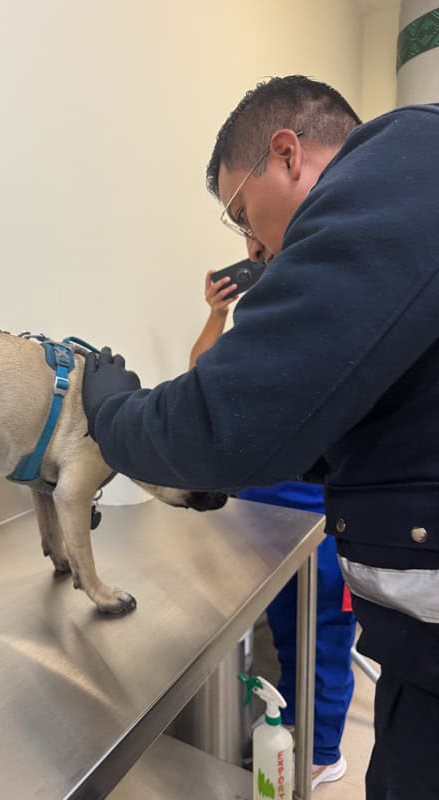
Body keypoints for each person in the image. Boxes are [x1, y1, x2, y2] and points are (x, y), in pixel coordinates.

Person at [82, 76, 439, 799]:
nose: (252, 244)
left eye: (244, 213)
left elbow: (227, 420)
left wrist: (108, 406)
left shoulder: (406, 159)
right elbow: (311, 411)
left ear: (287, 155)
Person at [190, 269, 356, 789]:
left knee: (325, 635)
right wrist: (217, 315)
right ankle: (294, 722)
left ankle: (324, 750)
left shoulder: (342, 324)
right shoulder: (253, 335)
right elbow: (199, 383)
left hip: (325, 511)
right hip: (262, 511)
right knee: (288, 631)